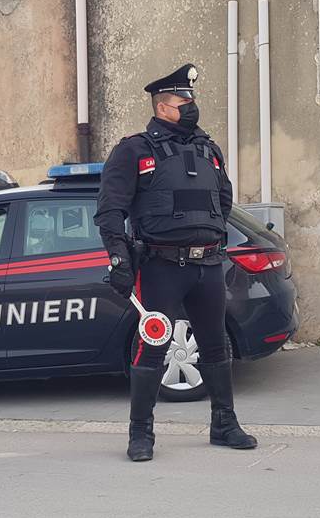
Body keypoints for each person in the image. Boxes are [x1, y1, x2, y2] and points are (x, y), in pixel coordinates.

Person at [94, 64, 257, 461]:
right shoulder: (134, 150)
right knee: (152, 346)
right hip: (161, 267)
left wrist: (213, 237)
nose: (191, 106)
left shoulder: (208, 150)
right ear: (163, 106)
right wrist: (118, 255)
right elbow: (109, 210)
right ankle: (141, 434)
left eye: (192, 100)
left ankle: (224, 424)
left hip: (207, 266)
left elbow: (223, 201)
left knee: (216, 347)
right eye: (184, 101)